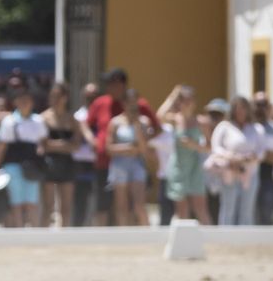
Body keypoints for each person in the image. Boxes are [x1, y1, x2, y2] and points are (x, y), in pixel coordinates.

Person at [83, 68, 158, 225]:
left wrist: (143, 144)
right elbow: (85, 124)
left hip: (135, 163)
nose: (108, 87)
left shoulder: (140, 105)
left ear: (121, 85)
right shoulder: (101, 103)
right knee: (105, 206)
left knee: (136, 205)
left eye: (111, 84)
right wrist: (92, 140)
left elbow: (157, 128)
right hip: (105, 163)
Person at [0, 86, 47, 228]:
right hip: (13, 166)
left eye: (27, 100)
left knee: (32, 201)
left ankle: (34, 230)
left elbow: (43, 141)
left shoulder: (38, 120)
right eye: (21, 100)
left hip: (32, 165)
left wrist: (41, 149)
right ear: (16, 102)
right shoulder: (9, 121)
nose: (24, 103)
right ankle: (19, 230)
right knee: (17, 202)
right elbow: (1, 146)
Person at [158, 85, 211, 224]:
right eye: (184, 100)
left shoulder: (202, 122)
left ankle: (210, 237)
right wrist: (173, 95)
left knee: (200, 207)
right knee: (182, 210)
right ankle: (182, 237)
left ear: (194, 102)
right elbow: (160, 115)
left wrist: (194, 145)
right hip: (178, 166)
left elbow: (209, 147)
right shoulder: (176, 119)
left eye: (190, 100)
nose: (187, 104)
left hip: (195, 166)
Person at [209, 95, 263, 225]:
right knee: (228, 208)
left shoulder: (256, 128)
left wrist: (249, 158)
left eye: (243, 108)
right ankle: (225, 235)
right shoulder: (224, 126)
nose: (240, 112)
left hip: (250, 173)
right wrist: (232, 157)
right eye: (237, 109)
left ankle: (245, 236)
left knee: (247, 210)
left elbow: (261, 152)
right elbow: (216, 148)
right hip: (229, 172)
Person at [103, 87, 150, 226]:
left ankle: (148, 234)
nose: (132, 105)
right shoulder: (115, 122)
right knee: (121, 206)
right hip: (119, 165)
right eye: (129, 101)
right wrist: (128, 148)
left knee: (139, 205)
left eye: (135, 101)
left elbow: (143, 148)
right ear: (124, 103)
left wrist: (136, 126)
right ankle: (123, 234)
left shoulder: (143, 121)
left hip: (137, 164)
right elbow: (108, 148)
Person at [37, 80, 82, 227]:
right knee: (48, 206)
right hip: (49, 164)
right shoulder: (44, 118)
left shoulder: (71, 119)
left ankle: (65, 235)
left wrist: (55, 145)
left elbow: (76, 146)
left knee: (66, 208)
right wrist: (64, 145)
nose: (54, 99)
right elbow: (44, 145)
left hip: (67, 164)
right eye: (52, 96)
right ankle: (43, 235)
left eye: (57, 96)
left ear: (65, 97)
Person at [70, 81, 99, 226]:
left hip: (98, 163)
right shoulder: (78, 116)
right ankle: (77, 228)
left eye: (94, 95)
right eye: (88, 96)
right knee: (80, 201)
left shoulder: (102, 114)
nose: (91, 99)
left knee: (98, 201)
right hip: (80, 164)